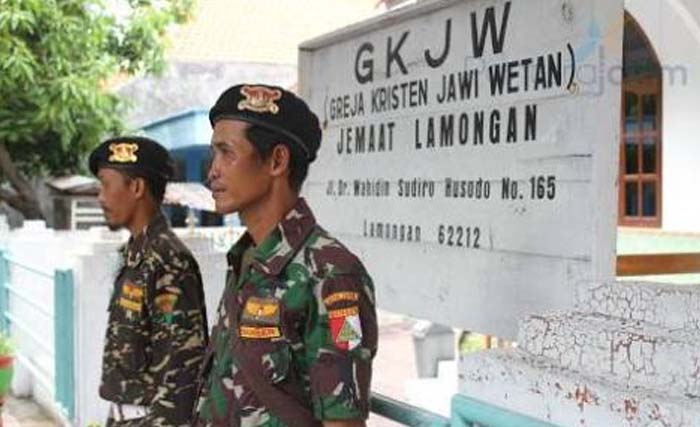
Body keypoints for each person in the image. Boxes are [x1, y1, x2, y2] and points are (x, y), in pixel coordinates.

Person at [193, 84, 378, 427]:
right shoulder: (247, 259)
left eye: (227, 153)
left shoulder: (332, 275)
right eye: (213, 154)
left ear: (277, 160)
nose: (212, 172)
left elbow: (343, 421)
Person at [90, 136, 209, 427]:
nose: (100, 197)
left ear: (137, 187)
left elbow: (182, 374)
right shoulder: (138, 254)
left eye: (106, 184)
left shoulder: (167, 260)